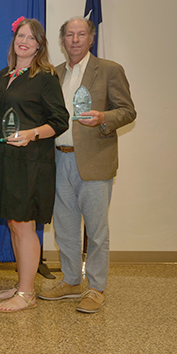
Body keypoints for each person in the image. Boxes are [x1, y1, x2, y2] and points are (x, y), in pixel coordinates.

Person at [38, 17, 136, 313]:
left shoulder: (109, 70)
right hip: (58, 161)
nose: (75, 40)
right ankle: (70, 281)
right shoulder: (53, 74)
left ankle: (95, 287)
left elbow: (127, 111)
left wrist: (103, 118)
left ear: (91, 39)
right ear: (62, 40)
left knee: (96, 231)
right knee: (65, 229)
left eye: (81, 34)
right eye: (70, 35)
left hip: (94, 162)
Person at [0, 18, 69, 313]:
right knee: (13, 223)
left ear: (39, 45)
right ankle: (23, 283)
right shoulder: (4, 74)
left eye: (31, 38)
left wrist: (33, 133)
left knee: (24, 226)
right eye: (20, 35)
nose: (24, 41)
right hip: (6, 161)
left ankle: (27, 293)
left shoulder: (45, 76)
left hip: (31, 162)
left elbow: (60, 121)